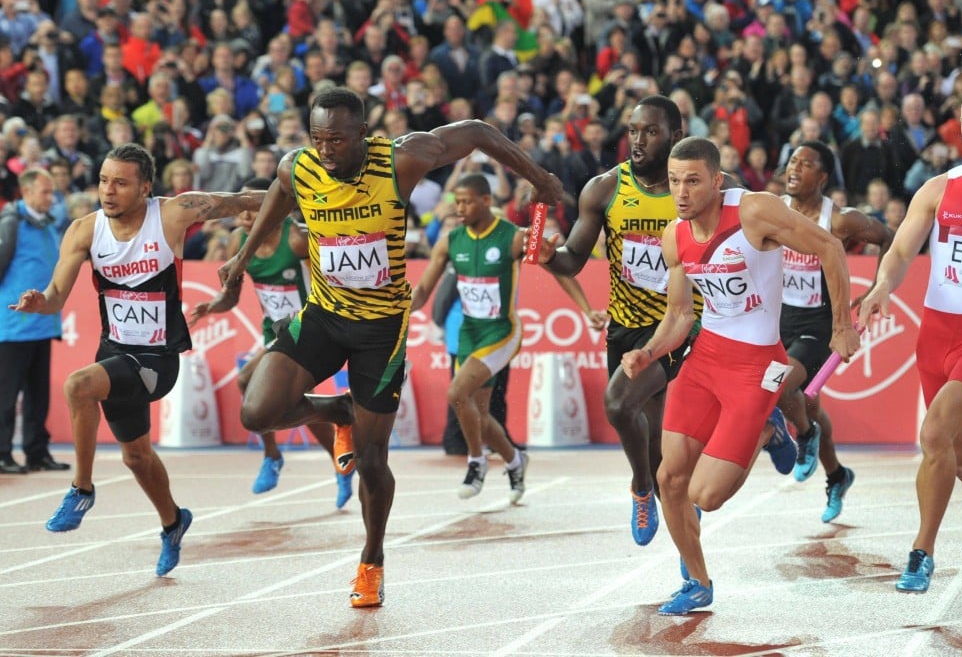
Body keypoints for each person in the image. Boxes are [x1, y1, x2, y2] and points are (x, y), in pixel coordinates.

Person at [218, 87, 564, 608]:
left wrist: (539, 178)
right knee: (256, 411)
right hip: (324, 315)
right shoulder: (299, 167)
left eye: (337, 139)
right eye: (317, 138)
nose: (325, 150)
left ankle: (371, 561)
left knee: (372, 459)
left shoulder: (401, 160)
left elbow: (476, 132)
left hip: (381, 331)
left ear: (362, 134)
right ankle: (338, 411)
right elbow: (279, 195)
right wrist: (242, 258)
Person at [533, 95, 786, 549]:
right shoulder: (604, 190)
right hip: (627, 325)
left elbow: (747, 239)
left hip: (687, 324)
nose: (638, 140)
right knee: (653, 440)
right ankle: (675, 501)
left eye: (650, 132)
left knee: (617, 404)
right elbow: (571, 260)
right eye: (633, 131)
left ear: (675, 136)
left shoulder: (703, 191)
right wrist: (549, 255)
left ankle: (642, 490)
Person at [621, 136, 859, 615]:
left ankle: (769, 428)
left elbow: (830, 247)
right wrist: (648, 351)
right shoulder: (675, 236)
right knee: (670, 478)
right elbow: (680, 315)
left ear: (716, 181)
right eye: (674, 181)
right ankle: (698, 583)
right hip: (706, 359)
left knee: (706, 495)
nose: (681, 192)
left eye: (692, 181)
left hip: (758, 366)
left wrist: (842, 326)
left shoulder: (754, 212)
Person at [8, 143, 268, 577]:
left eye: (121, 183)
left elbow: (239, 201)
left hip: (158, 359)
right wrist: (41, 303)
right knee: (136, 457)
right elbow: (55, 297)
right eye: (103, 181)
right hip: (114, 353)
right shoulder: (84, 230)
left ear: (145, 187)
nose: (108, 191)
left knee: (78, 385)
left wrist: (302, 191)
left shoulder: (172, 214)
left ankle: (81, 489)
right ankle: (173, 522)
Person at [859, 86, 962, 594]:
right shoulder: (937, 189)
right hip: (935, 338)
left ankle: (921, 552)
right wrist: (882, 286)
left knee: (932, 436)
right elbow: (900, 252)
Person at [187, 177, 356, 508]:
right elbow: (231, 298)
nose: (245, 216)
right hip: (275, 333)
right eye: (241, 209)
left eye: (252, 209)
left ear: (273, 208)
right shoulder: (238, 242)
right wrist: (214, 306)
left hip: (307, 330)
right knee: (290, 402)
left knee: (247, 381)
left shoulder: (296, 239)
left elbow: (334, 280)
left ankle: (275, 455)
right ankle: (337, 458)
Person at [778, 142, 893, 522]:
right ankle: (837, 476)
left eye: (806, 164)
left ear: (823, 177)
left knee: (781, 387)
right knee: (809, 406)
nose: (795, 168)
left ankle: (804, 435)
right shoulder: (773, 209)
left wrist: (877, 287)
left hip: (820, 326)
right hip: (779, 321)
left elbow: (888, 238)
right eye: (793, 161)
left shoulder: (840, 220)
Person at [409, 174, 530, 501]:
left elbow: (555, 264)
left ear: (486, 201)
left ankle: (476, 461)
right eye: (456, 202)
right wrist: (400, 308)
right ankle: (515, 460)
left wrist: (585, 308)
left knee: (456, 392)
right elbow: (423, 290)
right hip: (468, 333)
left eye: (466, 202)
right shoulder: (450, 241)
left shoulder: (512, 237)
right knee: (480, 414)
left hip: (501, 331)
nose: (459, 208)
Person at [0, 169, 70, 474]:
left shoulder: (48, 224)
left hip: (42, 323)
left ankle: (37, 452)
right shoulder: (11, 223)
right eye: (45, 192)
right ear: (26, 192)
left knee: (38, 396)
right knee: (6, 395)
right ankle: (1, 454)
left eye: (52, 191)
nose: (51, 198)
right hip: (14, 325)